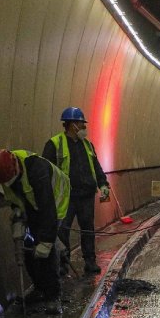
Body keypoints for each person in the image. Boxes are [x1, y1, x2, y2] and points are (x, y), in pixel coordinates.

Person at [0, 148, 70, 315]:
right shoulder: (7, 174)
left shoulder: (37, 170)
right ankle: (39, 287)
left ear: (15, 166)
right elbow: (17, 199)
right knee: (29, 245)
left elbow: (47, 210)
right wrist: (18, 216)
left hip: (56, 201)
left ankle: (53, 296)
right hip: (34, 205)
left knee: (46, 249)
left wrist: (45, 241)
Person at [42, 107, 110, 275]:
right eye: (82, 124)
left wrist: (103, 184)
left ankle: (90, 261)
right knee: (63, 230)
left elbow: (96, 166)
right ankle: (63, 264)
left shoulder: (87, 144)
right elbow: (45, 170)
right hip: (66, 198)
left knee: (87, 228)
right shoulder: (54, 144)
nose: (84, 127)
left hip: (86, 195)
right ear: (73, 125)